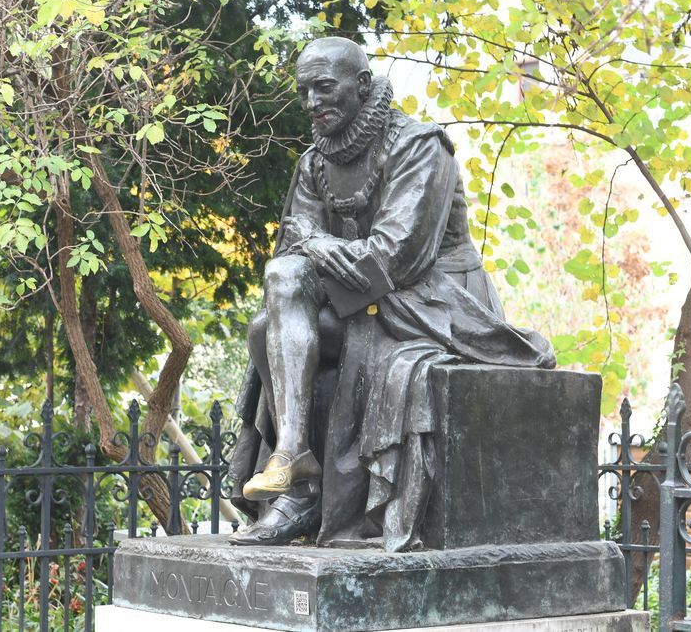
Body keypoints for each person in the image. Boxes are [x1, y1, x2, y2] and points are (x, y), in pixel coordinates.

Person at [228, 37, 555, 551]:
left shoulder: (420, 145)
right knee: (267, 322)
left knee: (289, 309)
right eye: (304, 91)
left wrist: (315, 243)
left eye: (325, 87)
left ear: (361, 85)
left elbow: (394, 258)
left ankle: (302, 486)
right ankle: (297, 470)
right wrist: (314, 242)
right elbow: (293, 244)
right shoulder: (314, 163)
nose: (312, 103)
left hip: (433, 302)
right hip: (357, 301)